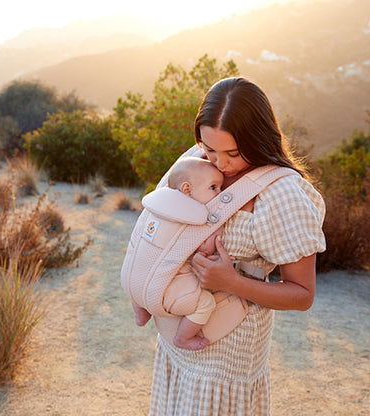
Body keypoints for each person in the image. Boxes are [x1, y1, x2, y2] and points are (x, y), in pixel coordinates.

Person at [149, 77, 326, 416]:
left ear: (259, 138)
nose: (220, 164)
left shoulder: (282, 194)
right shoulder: (195, 161)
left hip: (228, 356)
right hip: (179, 337)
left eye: (232, 152)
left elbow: (303, 295)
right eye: (209, 148)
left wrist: (231, 282)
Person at [133, 156, 225, 350]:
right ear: (186, 189)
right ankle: (183, 338)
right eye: (213, 187)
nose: (220, 193)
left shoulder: (157, 205)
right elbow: (205, 249)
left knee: (138, 277)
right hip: (164, 289)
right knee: (206, 303)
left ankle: (140, 312)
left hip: (132, 281)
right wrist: (218, 230)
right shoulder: (196, 217)